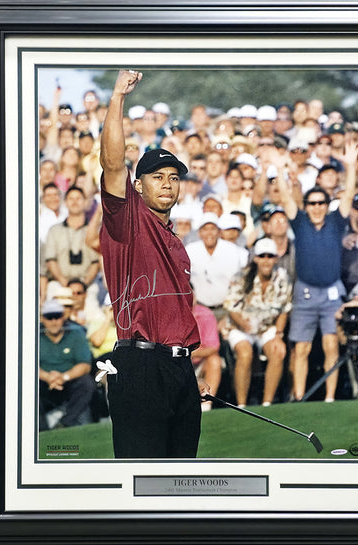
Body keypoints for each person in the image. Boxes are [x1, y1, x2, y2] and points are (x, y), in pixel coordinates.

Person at [99, 69, 208, 459]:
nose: (167, 183)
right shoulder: (126, 219)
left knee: (181, 479)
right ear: (138, 185)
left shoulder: (178, 243)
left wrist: (185, 375)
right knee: (142, 479)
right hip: (139, 364)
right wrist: (117, 97)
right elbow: (113, 164)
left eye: (174, 178)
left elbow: (176, 317)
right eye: (157, 176)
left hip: (179, 368)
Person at [276, 140, 358, 402]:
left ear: (326, 204)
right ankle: (300, 399)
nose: (316, 207)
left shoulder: (336, 221)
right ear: (307, 205)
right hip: (305, 292)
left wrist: (350, 166)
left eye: (321, 203)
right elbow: (285, 197)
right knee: (301, 348)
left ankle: (330, 398)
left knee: (331, 345)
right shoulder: (300, 221)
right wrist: (279, 169)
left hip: (332, 292)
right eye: (312, 203)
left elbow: (348, 195)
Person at [223, 238, 292, 407]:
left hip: (267, 327)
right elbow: (231, 307)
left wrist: (278, 335)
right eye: (262, 256)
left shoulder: (283, 278)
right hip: (240, 327)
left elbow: (284, 310)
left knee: (278, 351)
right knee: (245, 353)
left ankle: (267, 403)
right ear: (255, 258)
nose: (266, 260)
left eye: (270, 256)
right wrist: (244, 324)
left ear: (276, 258)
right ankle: (241, 404)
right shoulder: (241, 276)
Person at [39, 299, 95, 430]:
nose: (54, 321)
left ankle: (66, 423)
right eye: (49, 317)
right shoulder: (33, 334)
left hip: (69, 381)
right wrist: (48, 377)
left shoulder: (76, 332)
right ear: (42, 318)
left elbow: (85, 365)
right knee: (28, 384)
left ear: (63, 316)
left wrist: (63, 377)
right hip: (43, 381)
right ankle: (41, 429)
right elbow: (27, 365)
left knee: (87, 383)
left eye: (57, 316)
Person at [186, 212, 249, 322]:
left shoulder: (231, 250)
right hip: (200, 308)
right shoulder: (190, 250)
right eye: (205, 229)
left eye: (213, 229)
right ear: (199, 233)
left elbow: (236, 282)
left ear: (219, 232)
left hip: (226, 309)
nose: (209, 233)